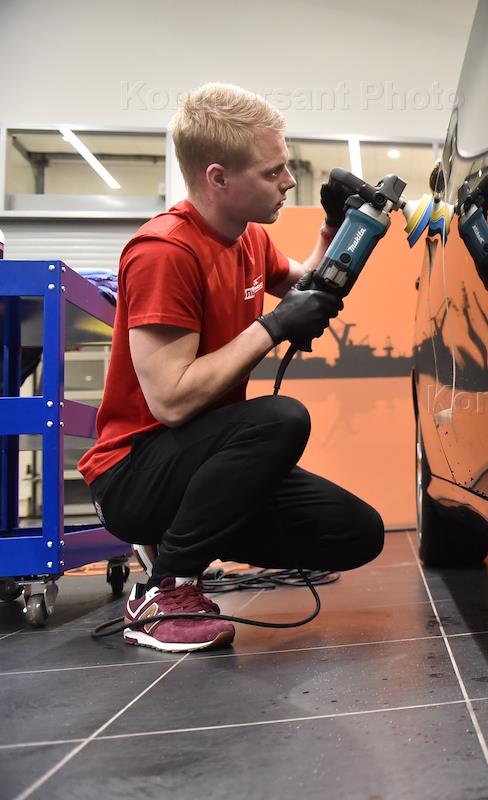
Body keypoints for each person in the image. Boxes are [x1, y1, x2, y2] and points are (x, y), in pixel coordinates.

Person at [78, 83, 384, 653]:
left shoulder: (249, 240)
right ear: (218, 177)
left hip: (201, 462)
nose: (288, 182)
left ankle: (184, 538)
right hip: (132, 473)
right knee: (280, 418)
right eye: (273, 172)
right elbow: (171, 401)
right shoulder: (165, 251)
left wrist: (336, 231)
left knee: (355, 532)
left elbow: (308, 284)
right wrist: (273, 326)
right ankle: (166, 592)